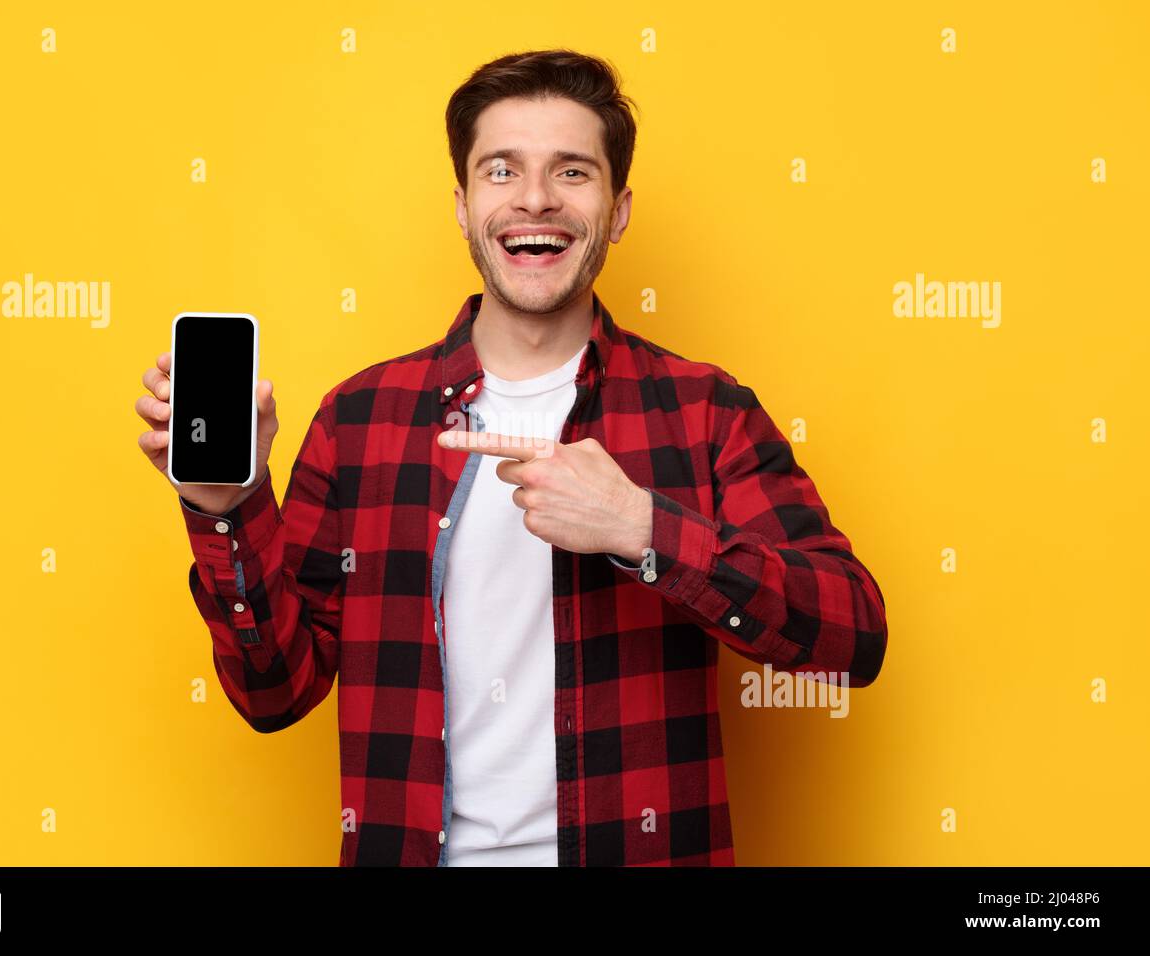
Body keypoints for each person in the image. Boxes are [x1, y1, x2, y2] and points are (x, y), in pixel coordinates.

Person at [134, 48, 887, 866]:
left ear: (619, 206)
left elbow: (853, 637)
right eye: (502, 170)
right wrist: (226, 508)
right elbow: (274, 693)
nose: (535, 199)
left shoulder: (705, 411)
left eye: (572, 172)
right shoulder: (360, 419)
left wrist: (643, 528)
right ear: (462, 205)